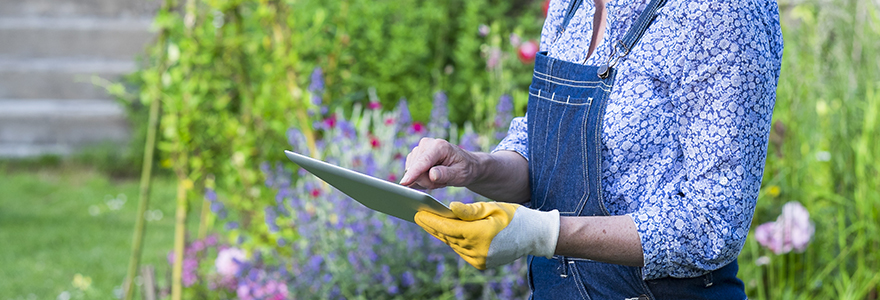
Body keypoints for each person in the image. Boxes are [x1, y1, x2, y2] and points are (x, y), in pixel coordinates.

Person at [398, 0, 783, 298]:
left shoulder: (724, 12)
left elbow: (713, 225)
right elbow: (543, 155)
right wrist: (474, 168)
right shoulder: (572, 6)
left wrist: (543, 234)